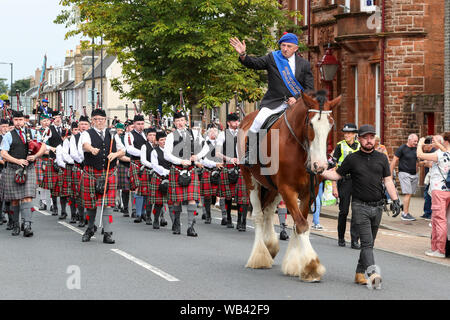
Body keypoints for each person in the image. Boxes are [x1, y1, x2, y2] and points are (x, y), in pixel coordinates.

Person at [321, 124, 402, 288]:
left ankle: (359, 274)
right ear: (359, 139)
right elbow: (336, 174)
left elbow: (387, 180)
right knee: (366, 243)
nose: (369, 140)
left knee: (369, 244)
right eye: (365, 137)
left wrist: (395, 200)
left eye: (371, 137)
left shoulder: (381, 158)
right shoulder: (352, 159)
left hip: (378, 207)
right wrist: (319, 171)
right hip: (359, 206)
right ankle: (373, 274)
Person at [230, 33, 314, 166]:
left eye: (289, 46)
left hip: (296, 105)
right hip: (274, 102)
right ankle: (250, 153)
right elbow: (255, 63)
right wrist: (243, 55)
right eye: (283, 45)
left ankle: (314, 156)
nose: (285, 48)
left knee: (313, 124)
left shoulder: (304, 64)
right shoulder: (273, 58)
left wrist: (297, 99)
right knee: (258, 121)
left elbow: (309, 89)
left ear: (296, 48)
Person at [79, 108, 125, 244]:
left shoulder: (113, 134)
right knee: (91, 205)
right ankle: (89, 228)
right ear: (92, 121)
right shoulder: (87, 133)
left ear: (105, 120)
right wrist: (92, 149)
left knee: (108, 204)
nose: (99, 122)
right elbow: (85, 145)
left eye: (102, 119)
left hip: (109, 172)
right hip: (92, 172)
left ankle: (107, 233)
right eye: (96, 119)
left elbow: (123, 150)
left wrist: (116, 154)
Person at [0, 110, 47, 237]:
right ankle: (16, 224)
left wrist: (36, 156)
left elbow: (43, 146)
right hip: (13, 169)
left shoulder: (32, 132)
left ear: (24, 120)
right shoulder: (8, 136)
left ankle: (27, 225)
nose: (18, 122)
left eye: (20, 120)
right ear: (13, 121)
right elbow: (3, 153)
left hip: (30, 168)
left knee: (27, 197)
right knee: (15, 199)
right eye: (16, 120)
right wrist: (17, 160)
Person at [164, 110, 210, 236]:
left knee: (192, 199)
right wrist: (181, 161)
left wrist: (197, 156)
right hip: (177, 170)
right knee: (177, 200)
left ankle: (191, 227)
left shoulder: (194, 133)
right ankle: (177, 223)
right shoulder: (170, 136)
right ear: (174, 122)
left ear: (186, 121)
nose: (180, 123)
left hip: (191, 170)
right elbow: (166, 154)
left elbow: (206, 147)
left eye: (182, 120)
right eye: (177, 121)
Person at [417, 133, 450, 258]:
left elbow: (420, 155)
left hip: (438, 190)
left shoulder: (440, 155)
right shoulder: (446, 153)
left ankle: (439, 250)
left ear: (445, 141)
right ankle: (438, 248)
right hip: (448, 190)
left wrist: (420, 143)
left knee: (438, 221)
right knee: (442, 220)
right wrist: (437, 144)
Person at [332, 123, 360, 249]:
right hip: (344, 180)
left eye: (349, 133)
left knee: (357, 211)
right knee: (343, 211)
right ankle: (341, 237)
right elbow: (333, 166)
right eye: (345, 133)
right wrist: (334, 186)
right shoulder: (340, 146)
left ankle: (355, 240)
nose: (347, 135)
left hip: (358, 181)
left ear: (355, 134)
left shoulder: (360, 146)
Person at [390, 134, 419, 221]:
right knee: (408, 193)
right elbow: (394, 161)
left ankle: (404, 207)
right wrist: (390, 174)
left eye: (417, 141)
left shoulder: (416, 149)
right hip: (404, 173)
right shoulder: (402, 148)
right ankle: (405, 214)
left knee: (410, 194)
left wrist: (417, 169)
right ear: (409, 140)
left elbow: (417, 161)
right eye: (415, 141)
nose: (416, 143)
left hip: (414, 174)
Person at [125, 115, 147, 223]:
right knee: (137, 187)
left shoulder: (146, 134)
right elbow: (129, 149)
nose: (140, 126)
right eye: (138, 124)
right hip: (136, 162)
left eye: (142, 124)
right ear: (134, 124)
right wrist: (143, 153)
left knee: (146, 188)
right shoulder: (129, 135)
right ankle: (138, 213)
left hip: (147, 163)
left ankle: (144, 212)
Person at [199, 126, 223, 224]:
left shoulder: (221, 143)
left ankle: (225, 216)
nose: (214, 133)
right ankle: (208, 215)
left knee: (223, 194)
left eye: (215, 131)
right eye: (212, 132)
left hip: (220, 170)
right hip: (208, 170)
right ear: (208, 133)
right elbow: (202, 159)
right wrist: (214, 164)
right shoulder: (203, 144)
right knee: (207, 196)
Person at [149, 131, 172, 229]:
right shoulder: (155, 151)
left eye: (165, 139)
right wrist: (166, 172)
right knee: (158, 203)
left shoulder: (171, 150)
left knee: (172, 202)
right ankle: (156, 219)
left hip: (171, 177)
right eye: (161, 140)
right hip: (159, 176)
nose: (164, 141)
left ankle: (175, 222)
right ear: (157, 142)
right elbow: (155, 165)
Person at [70, 115, 91, 227]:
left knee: (90, 194)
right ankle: (82, 217)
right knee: (80, 194)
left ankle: (89, 217)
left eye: (85, 124)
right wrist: (83, 160)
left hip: (90, 168)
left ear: (89, 125)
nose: (83, 126)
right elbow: (73, 153)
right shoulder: (75, 137)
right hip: (80, 167)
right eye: (81, 124)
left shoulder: (92, 135)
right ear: (78, 126)